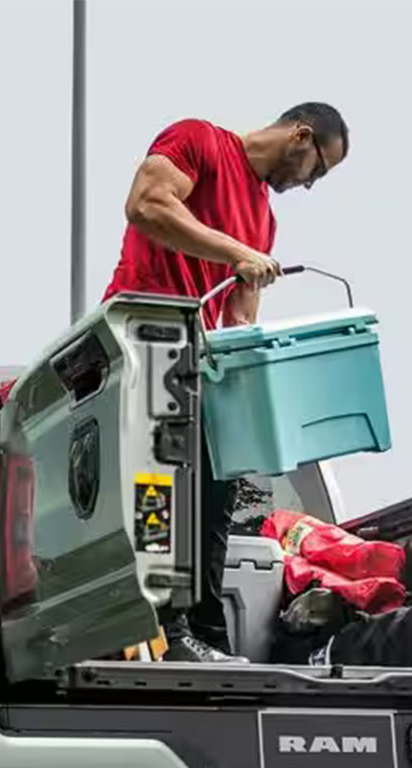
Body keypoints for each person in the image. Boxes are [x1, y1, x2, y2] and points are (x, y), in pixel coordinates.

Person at [103, 102, 349, 663]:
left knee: (217, 488)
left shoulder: (263, 220)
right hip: (146, 341)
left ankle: (205, 636)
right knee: (158, 492)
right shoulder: (200, 143)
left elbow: (241, 321)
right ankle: (163, 625)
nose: (309, 184)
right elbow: (145, 205)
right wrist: (237, 253)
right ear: (300, 136)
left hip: (203, 366)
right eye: (317, 169)